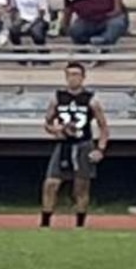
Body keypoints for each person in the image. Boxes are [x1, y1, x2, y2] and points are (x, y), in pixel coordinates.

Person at [40, 62, 108, 229]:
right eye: (70, 74)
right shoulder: (58, 97)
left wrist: (100, 149)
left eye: (77, 74)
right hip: (63, 144)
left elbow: (103, 126)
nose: (73, 78)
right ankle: (45, 221)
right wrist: (56, 129)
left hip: (83, 144)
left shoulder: (91, 100)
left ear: (83, 77)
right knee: (51, 183)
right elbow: (47, 123)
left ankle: (79, 223)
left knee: (81, 186)